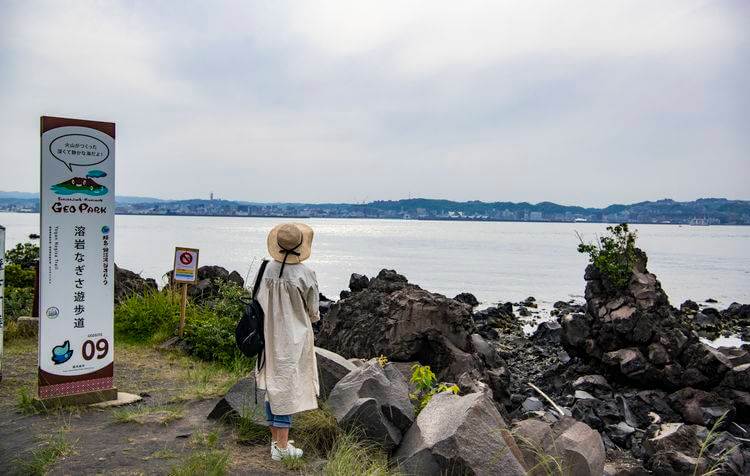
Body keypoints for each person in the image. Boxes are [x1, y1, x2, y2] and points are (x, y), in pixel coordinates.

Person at [254, 223, 320, 461]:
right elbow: (313, 311)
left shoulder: (265, 269)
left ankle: (276, 442)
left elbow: (258, 300)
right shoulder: (306, 273)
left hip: (267, 334)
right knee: (287, 387)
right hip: (293, 336)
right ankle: (282, 449)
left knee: (273, 386)